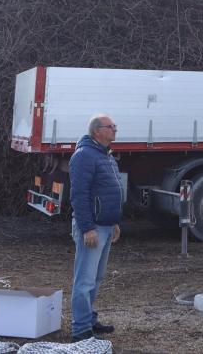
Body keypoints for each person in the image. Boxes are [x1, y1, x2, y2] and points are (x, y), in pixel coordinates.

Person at [69, 114, 122, 341]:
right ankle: (80, 329)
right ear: (97, 131)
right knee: (85, 280)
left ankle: (89, 319)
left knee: (96, 277)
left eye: (114, 127)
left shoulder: (105, 156)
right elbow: (79, 195)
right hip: (92, 228)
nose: (115, 131)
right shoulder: (84, 156)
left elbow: (109, 193)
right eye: (111, 127)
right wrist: (87, 227)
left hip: (106, 226)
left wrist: (114, 222)